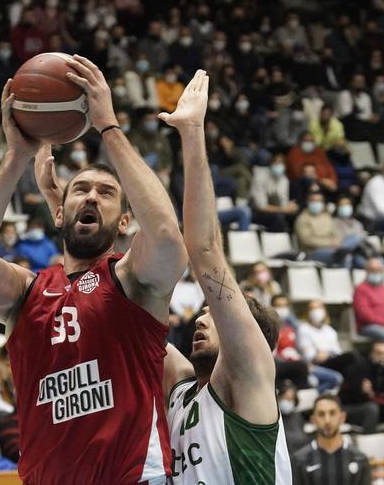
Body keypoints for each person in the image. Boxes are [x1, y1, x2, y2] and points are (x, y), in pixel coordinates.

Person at [0, 56, 187, 483]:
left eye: (106, 192)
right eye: (81, 189)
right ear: (59, 212)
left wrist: (109, 128)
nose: (91, 196)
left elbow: (168, 236)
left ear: (125, 222)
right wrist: (16, 157)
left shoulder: (134, 281)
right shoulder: (27, 291)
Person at [147, 71, 291, 482]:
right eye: (204, 311)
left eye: (213, 312)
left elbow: (206, 255)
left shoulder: (249, 375)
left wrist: (192, 134)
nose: (200, 318)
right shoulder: (182, 391)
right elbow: (133, 321)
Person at [291, 395, 371, 485]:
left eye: (332, 413)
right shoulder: (300, 460)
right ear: (313, 420)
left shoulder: (359, 459)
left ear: (342, 417)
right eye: (321, 414)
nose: (327, 420)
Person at [340, 341, 384, 432]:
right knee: (371, 408)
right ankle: (368, 441)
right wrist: (368, 394)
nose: (383, 357)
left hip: (377, 405)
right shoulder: (359, 367)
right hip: (349, 408)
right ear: (372, 353)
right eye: (379, 353)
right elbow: (357, 397)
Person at [295, 191, 341, 264]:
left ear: (323, 203)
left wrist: (337, 241)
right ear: (308, 202)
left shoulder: (327, 217)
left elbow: (336, 234)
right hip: (311, 252)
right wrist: (329, 243)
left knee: (354, 239)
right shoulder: (302, 219)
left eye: (319, 201)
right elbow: (307, 240)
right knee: (341, 255)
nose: (316, 204)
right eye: (313, 201)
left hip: (332, 249)